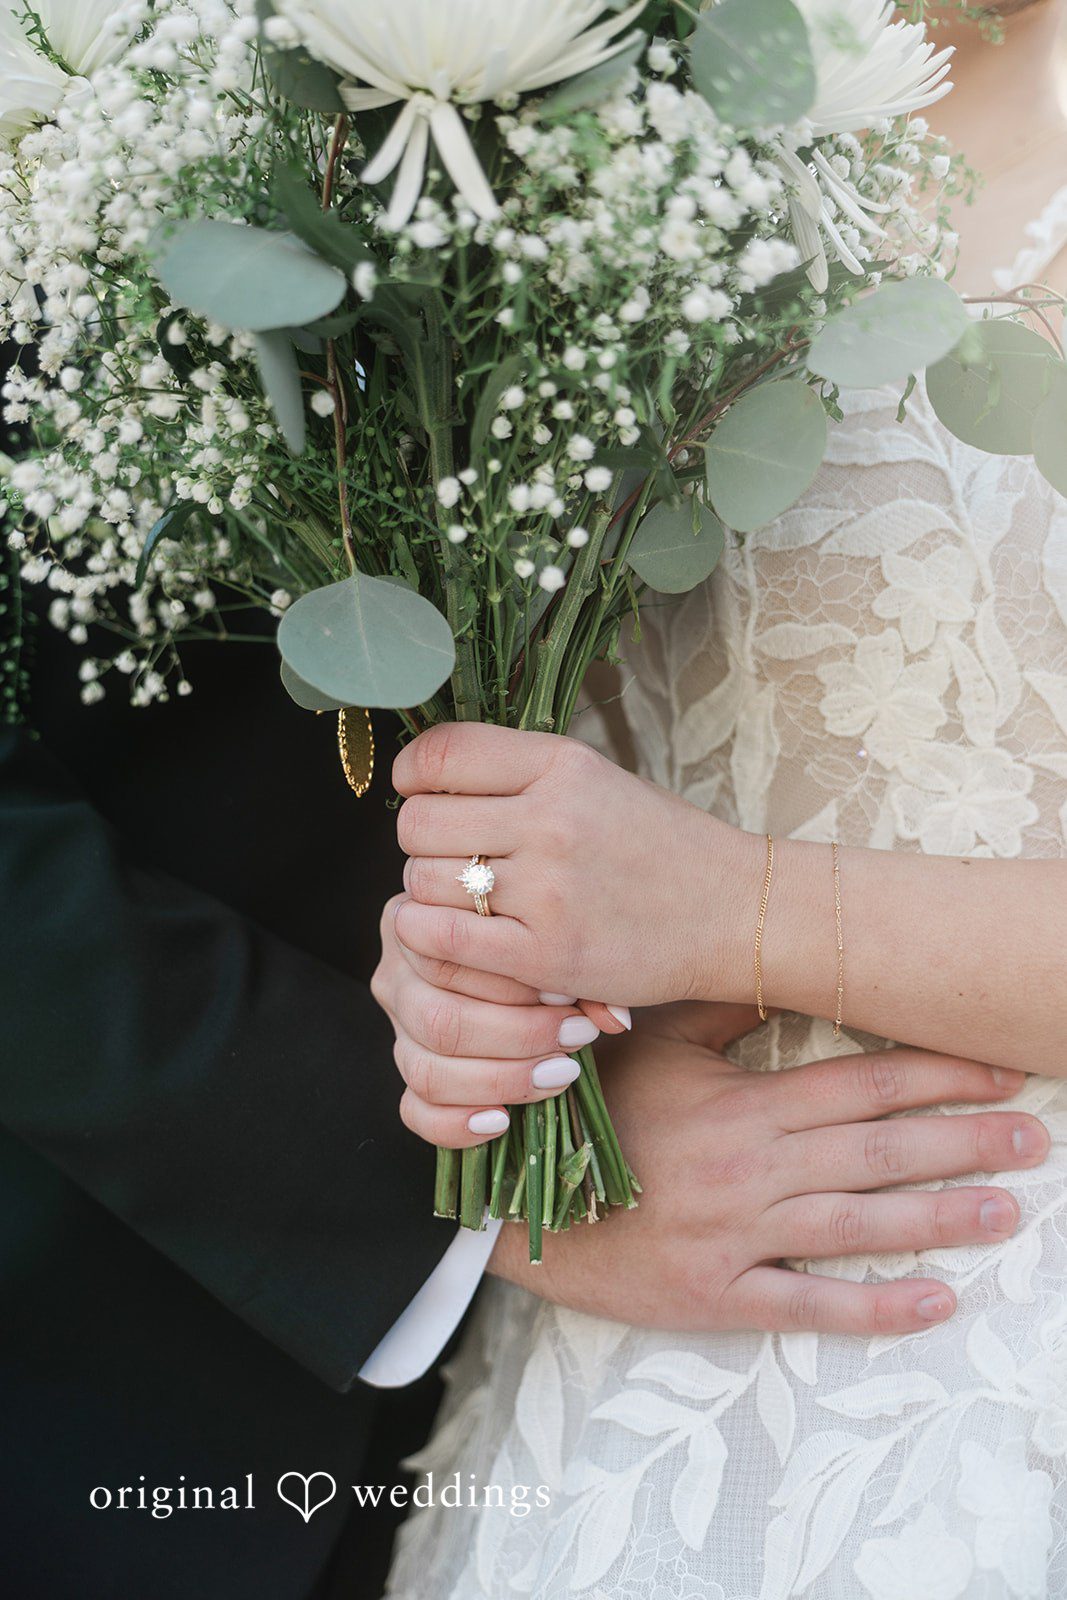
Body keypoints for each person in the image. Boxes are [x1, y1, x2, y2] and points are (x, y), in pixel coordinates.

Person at [379, 2, 1067, 1595]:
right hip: (614, 1393)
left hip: (1004, 1342)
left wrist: (743, 910)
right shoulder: (562, 149)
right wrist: (475, 1020)